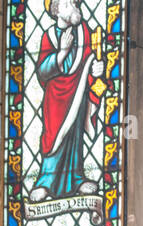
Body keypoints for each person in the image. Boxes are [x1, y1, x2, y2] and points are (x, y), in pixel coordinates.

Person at [30, 0, 105, 203]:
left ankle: (76, 179)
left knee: (75, 138)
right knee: (54, 137)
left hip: (78, 93)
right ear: (57, 10)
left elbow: (91, 59)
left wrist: (96, 69)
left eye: (75, 3)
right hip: (55, 99)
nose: (75, 6)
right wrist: (61, 53)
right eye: (68, 3)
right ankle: (46, 181)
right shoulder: (49, 37)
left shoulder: (85, 33)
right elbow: (42, 72)